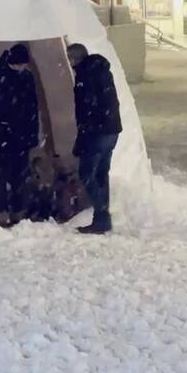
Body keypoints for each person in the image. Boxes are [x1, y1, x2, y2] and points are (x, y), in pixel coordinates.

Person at [0, 43, 39, 227]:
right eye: (19, 64)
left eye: (24, 65)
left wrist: (31, 134)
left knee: (19, 175)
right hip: (1, 137)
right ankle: (2, 211)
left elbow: (32, 108)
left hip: (20, 137)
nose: (22, 68)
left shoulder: (26, 78)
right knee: (0, 175)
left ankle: (17, 211)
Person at [67, 43, 122, 234]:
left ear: (75, 58)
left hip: (97, 133)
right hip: (111, 131)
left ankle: (102, 214)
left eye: (70, 58)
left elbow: (87, 109)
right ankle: (101, 218)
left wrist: (85, 133)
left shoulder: (85, 76)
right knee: (101, 174)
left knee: (87, 173)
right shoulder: (100, 71)